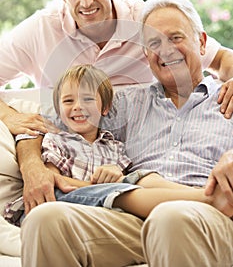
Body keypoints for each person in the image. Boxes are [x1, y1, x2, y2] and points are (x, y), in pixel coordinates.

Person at [20, 0, 233, 267]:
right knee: (45, 220)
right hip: (131, 220)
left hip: (208, 217)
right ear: (146, 54)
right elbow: (41, 123)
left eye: (176, 38)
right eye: (154, 43)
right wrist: (32, 165)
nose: (165, 50)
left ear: (202, 43)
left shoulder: (227, 97)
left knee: (170, 217)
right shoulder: (125, 103)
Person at [0, 0, 233, 140]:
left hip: (144, 149)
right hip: (69, 152)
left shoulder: (145, 19)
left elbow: (221, 59)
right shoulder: (40, 30)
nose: (86, 2)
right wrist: (9, 116)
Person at [8, 63, 229, 228]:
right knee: (132, 187)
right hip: (61, 201)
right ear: (58, 108)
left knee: (143, 177)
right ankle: (207, 199)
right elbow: (57, 183)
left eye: (87, 99)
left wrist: (115, 173)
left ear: (105, 109)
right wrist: (109, 186)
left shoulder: (112, 146)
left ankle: (197, 193)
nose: (77, 107)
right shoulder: (56, 140)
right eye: (68, 101)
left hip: (106, 207)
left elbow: (124, 176)